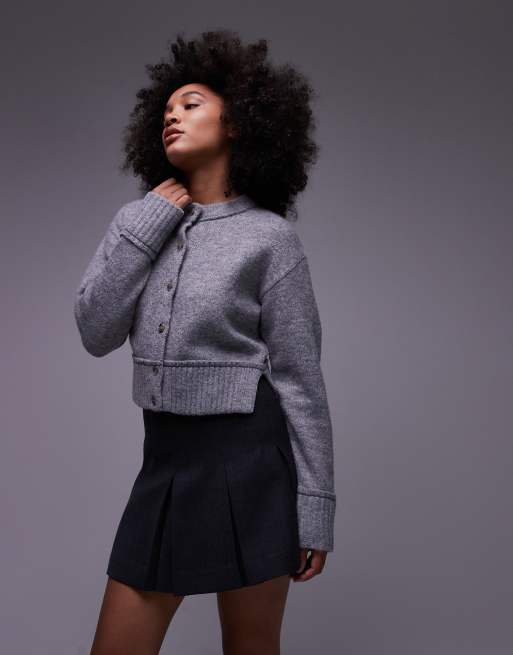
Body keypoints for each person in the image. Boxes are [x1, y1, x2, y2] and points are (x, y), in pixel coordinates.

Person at [74, 29, 336, 655]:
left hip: (252, 462)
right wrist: (147, 226)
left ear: (238, 123)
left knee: (251, 647)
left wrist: (316, 507)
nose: (172, 116)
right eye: (166, 109)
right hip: (165, 459)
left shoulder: (270, 239)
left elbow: (301, 380)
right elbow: (95, 331)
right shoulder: (139, 223)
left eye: (190, 104)